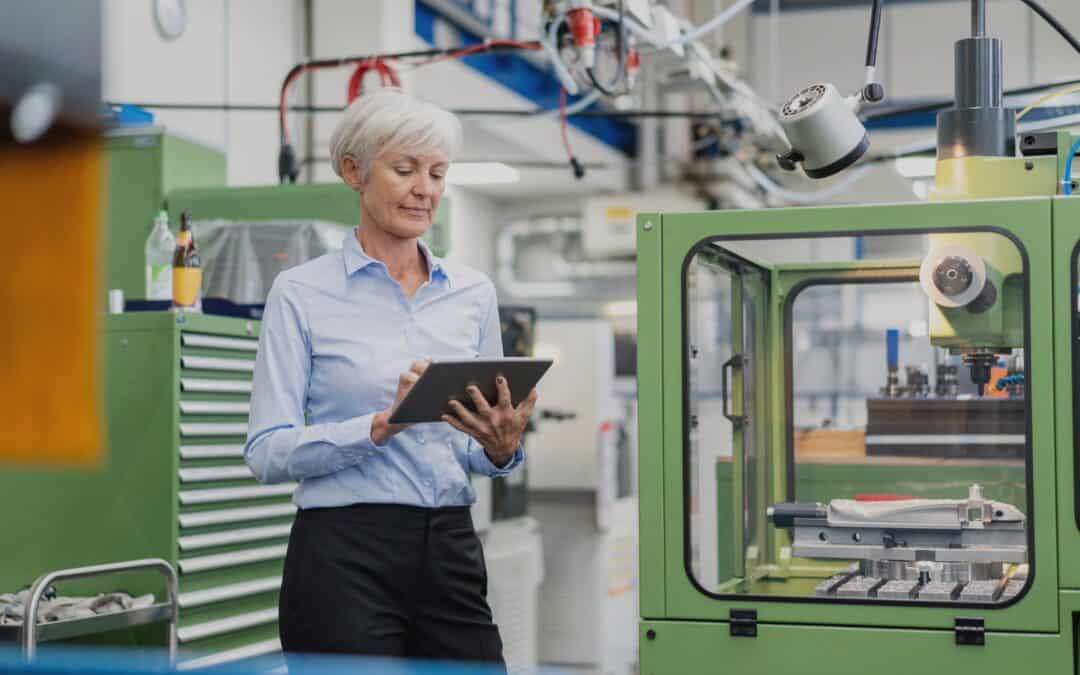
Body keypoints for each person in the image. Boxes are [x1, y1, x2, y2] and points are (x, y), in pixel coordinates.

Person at [244, 88, 536, 668]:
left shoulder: (472, 294)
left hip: (449, 544)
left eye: (436, 172)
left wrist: (501, 448)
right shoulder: (301, 293)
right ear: (354, 171)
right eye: (404, 169)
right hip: (342, 556)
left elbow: (474, 452)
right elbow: (265, 451)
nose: (424, 188)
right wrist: (379, 426)